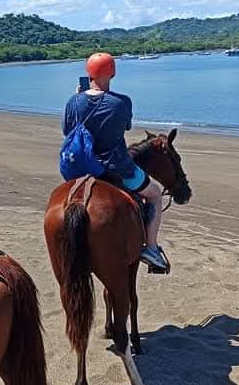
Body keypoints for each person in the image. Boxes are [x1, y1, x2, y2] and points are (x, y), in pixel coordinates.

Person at [62, 52, 168, 272]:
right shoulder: (121, 102)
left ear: (88, 72)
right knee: (155, 194)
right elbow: (125, 128)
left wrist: (79, 99)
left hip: (79, 166)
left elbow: (66, 131)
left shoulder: (74, 101)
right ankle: (151, 247)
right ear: (112, 73)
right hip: (116, 167)